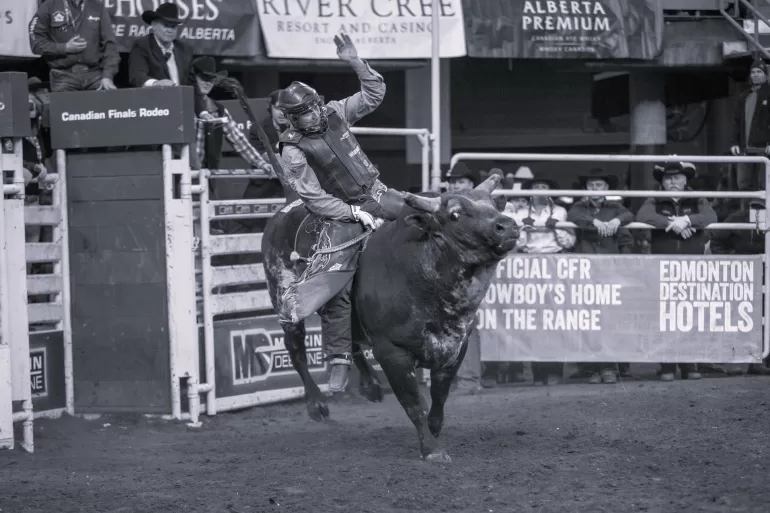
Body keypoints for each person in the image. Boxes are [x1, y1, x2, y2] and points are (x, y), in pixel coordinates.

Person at [275, 34, 429, 393]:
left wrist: (354, 61)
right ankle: (339, 360)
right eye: (303, 113)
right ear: (293, 119)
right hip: (339, 215)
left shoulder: (335, 112)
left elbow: (374, 94)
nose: (313, 115)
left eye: (313, 107)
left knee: (425, 223)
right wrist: (353, 213)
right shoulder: (292, 149)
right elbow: (311, 196)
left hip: (378, 192)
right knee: (335, 282)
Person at [637, 161, 717, 381]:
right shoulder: (654, 199)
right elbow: (643, 216)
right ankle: (667, 365)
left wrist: (688, 220)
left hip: (691, 264)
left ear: (685, 180)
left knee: (690, 314)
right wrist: (673, 224)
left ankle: (689, 364)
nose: (673, 182)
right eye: (668, 179)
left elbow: (711, 217)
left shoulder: (698, 199)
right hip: (663, 264)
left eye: (677, 178)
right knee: (665, 314)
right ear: (662, 182)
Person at [505, 176, 576, 385]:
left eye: (545, 187)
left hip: (555, 262)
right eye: (537, 187)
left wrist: (557, 228)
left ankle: (554, 371)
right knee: (533, 319)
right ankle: (538, 373)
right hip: (529, 264)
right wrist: (524, 230)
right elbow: (517, 244)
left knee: (555, 318)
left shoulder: (560, 212)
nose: (540, 191)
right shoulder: (520, 213)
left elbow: (569, 242)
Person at [567, 168, 634, 384]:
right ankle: (591, 367)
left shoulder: (615, 208)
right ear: (586, 189)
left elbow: (628, 217)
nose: (595, 189)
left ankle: (608, 367)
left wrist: (616, 222)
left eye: (599, 186)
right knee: (587, 319)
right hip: (585, 271)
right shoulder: (579, 207)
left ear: (606, 188)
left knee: (609, 319)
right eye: (591, 185)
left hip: (610, 271)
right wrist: (594, 222)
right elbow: (573, 216)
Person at [29, 0, 120, 92]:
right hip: (63, 77)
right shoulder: (49, 6)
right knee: (67, 106)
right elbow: (36, 44)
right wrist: (65, 48)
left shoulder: (97, 6)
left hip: (95, 76)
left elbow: (110, 45)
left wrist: (108, 76)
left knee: (103, 105)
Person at [128, 3, 195, 89]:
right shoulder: (142, 46)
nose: (170, 30)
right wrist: (156, 83)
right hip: (154, 100)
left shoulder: (185, 50)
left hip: (180, 100)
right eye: (166, 25)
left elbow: (192, 84)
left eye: (173, 27)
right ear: (154, 26)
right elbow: (136, 76)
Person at [730, 57, 770, 192]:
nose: (755, 75)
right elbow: (736, 121)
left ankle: (764, 214)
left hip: (763, 149)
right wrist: (734, 142)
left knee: (764, 185)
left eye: (759, 71)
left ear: (765, 74)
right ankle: (746, 212)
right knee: (744, 184)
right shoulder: (744, 96)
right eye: (753, 72)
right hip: (744, 148)